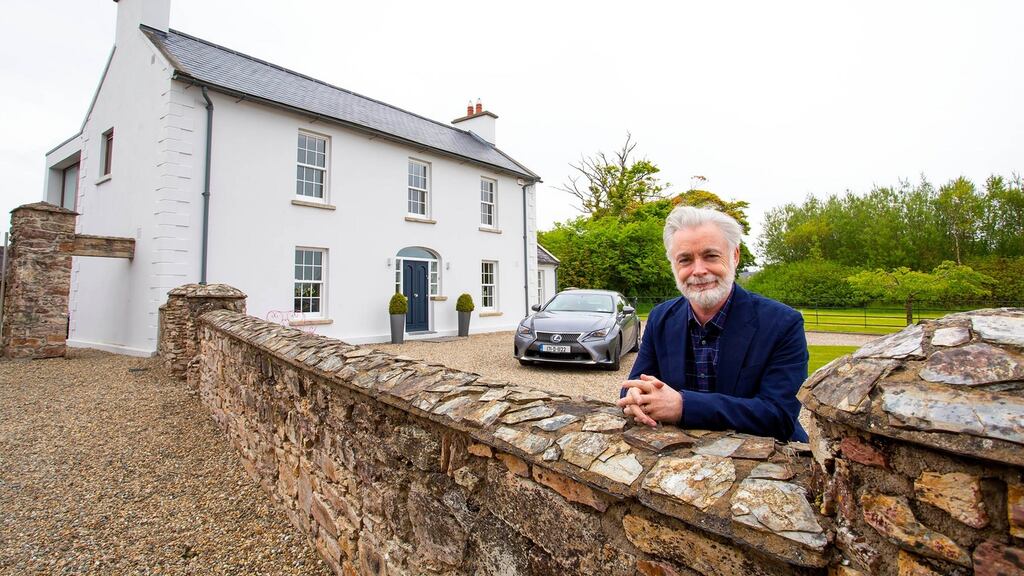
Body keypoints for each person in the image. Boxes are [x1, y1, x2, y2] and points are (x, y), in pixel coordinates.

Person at [617, 206, 808, 442]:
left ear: (734, 256)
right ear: (673, 265)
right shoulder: (661, 318)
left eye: (711, 256)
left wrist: (684, 406)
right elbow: (635, 383)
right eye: (685, 260)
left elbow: (779, 416)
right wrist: (635, 394)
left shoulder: (782, 324)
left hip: (767, 458)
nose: (698, 270)